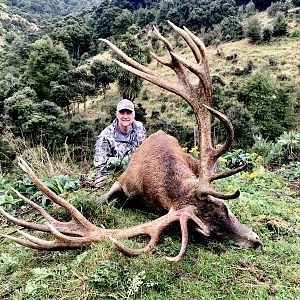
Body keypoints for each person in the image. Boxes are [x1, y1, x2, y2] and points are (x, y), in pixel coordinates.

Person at [93, 99, 147, 187]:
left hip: (137, 175)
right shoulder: (106, 136)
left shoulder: (140, 128)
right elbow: (100, 166)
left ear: (133, 114)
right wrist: (104, 184)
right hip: (115, 177)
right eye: (122, 113)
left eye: (128, 113)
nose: (125, 116)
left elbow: (145, 154)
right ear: (117, 114)